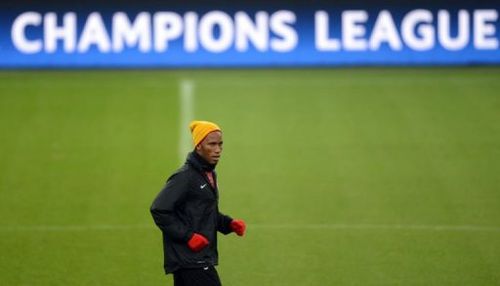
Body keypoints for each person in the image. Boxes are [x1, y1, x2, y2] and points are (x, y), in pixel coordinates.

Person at [151, 120, 246, 286]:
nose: (218, 150)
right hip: (190, 260)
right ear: (199, 146)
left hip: (196, 260)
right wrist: (188, 236)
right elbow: (159, 209)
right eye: (212, 144)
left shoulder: (208, 174)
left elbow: (204, 212)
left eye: (220, 144)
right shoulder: (185, 177)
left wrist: (228, 224)